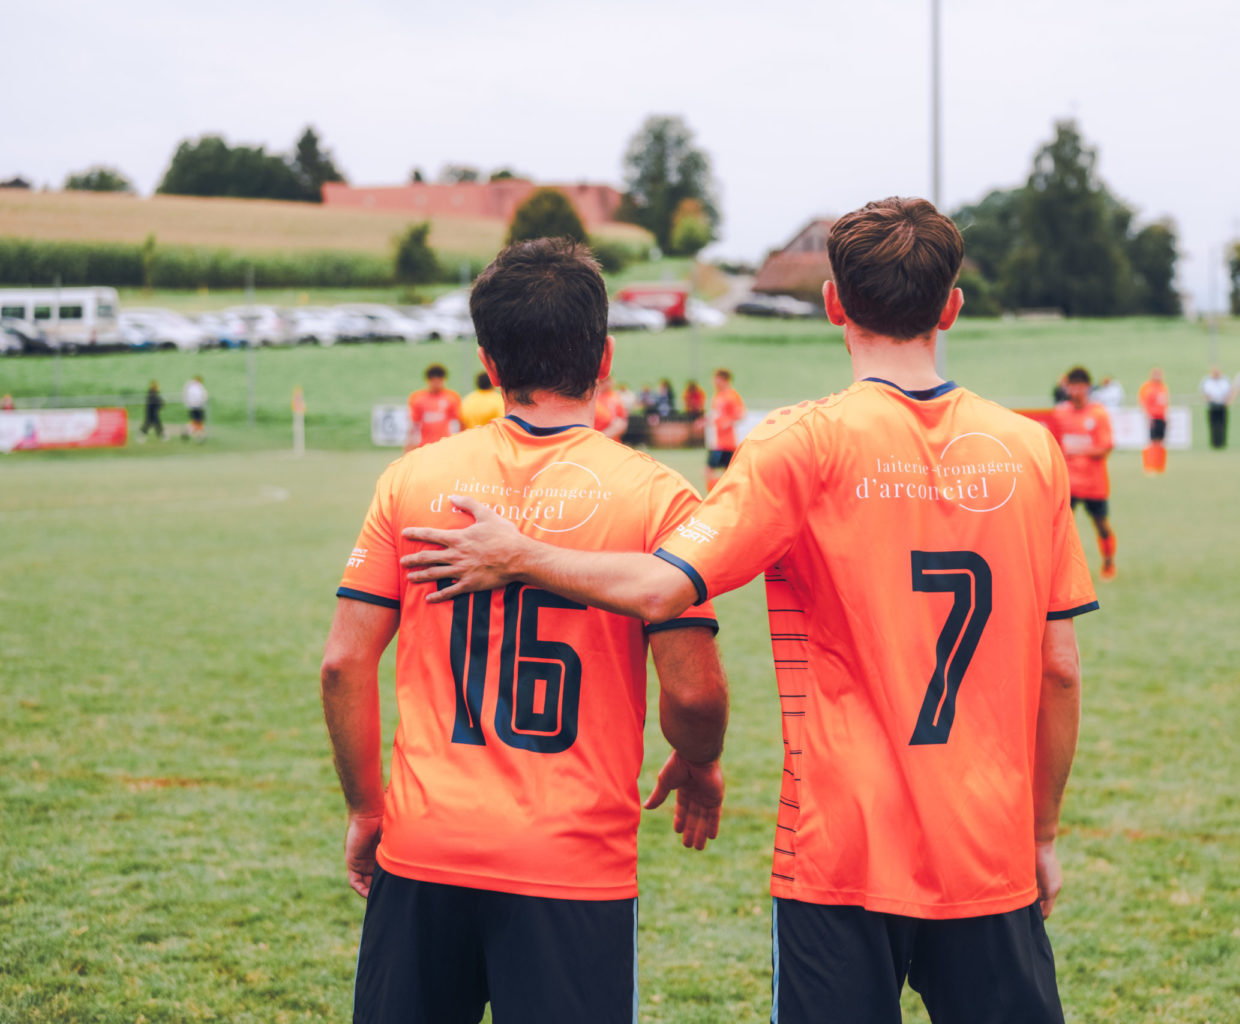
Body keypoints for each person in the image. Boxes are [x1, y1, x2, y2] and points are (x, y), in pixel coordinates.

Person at [401, 198, 1095, 1024]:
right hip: (989, 845)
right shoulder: (1032, 450)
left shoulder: (801, 444)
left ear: (833, 304)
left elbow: (661, 588)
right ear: (952, 307)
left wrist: (520, 555)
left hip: (840, 849)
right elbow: (1059, 669)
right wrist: (1041, 834)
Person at [320, 238, 730, 1023]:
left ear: (487, 361)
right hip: (571, 863)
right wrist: (700, 760)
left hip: (425, 846)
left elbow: (344, 662)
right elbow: (693, 693)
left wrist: (367, 811)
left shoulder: (412, 480)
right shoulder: (657, 496)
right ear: (605, 356)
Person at [1056, 366, 1117, 579]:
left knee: (1101, 525)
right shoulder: (1060, 413)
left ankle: (1108, 562)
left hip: (1094, 484)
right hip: (1068, 483)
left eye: (1080, 387)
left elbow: (1105, 447)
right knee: (1061, 529)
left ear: (1088, 388)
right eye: (1072, 387)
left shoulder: (1098, 414)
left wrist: (1076, 450)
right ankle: (1062, 571)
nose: (1076, 391)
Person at [704, 367, 746, 490]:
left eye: (716, 379)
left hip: (726, 443)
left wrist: (728, 421)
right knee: (725, 473)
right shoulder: (718, 396)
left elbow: (741, 413)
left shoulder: (732, 396)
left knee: (711, 471)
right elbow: (716, 415)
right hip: (717, 442)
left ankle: (715, 494)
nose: (714, 382)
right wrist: (705, 422)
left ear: (724, 380)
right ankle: (722, 494)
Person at [406, 364, 461, 450]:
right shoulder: (417, 398)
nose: (436, 384)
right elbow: (414, 426)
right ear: (428, 380)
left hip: (446, 445)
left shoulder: (452, 397)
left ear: (444, 380)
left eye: (439, 381)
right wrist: (409, 446)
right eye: (433, 381)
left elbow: (458, 423)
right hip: (424, 447)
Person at [1138, 367, 1170, 474]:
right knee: (1152, 442)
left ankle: (1160, 466)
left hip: (1162, 418)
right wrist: (1148, 417)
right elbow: (1144, 403)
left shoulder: (1163, 387)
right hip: (1153, 418)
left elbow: (1165, 404)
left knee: (1161, 442)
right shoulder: (1148, 388)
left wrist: (1166, 417)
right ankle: (1150, 466)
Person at [1200, 367, 1231, 449]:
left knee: (1222, 425)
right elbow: (1204, 392)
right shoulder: (1207, 381)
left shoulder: (1225, 381)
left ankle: (1222, 443)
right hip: (1212, 405)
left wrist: (1227, 401)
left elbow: (1229, 392)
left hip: (1222, 405)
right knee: (1213, 425)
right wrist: (1207, 399)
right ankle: (1214, 443)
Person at [183, 375, 208, 442]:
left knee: (195, 422)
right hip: (198, 407)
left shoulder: (190, 387)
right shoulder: (198, 388)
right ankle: (198, 436)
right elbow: (202, 396)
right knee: (198, 422)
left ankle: (190, 432)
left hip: (192, 407)